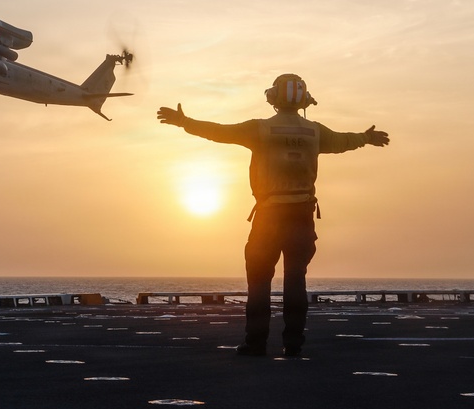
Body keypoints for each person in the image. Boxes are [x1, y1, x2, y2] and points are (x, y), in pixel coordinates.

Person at [157, 73, 389, 357]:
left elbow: (220, 132)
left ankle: (255, 343)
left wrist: (185, 122)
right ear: (304, 100)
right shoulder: (315, 131)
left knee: (258, 281)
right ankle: (293, 344)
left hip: (268, 217)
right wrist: (366, 137)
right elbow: (343, 141)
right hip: (301, 217)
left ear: (273, 98)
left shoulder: (260, 129)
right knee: (295, 280)